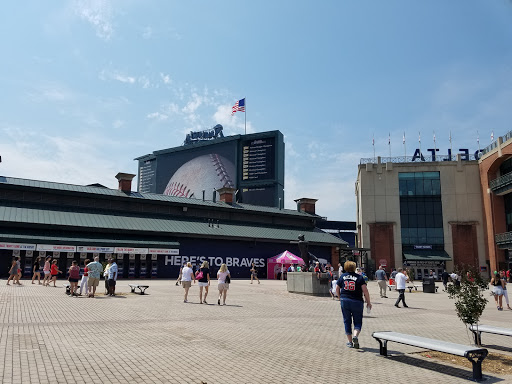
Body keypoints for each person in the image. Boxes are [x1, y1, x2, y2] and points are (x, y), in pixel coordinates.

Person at [336, 261, 372, 349]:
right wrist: (368, 302)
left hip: (345, 300)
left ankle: (349, 341)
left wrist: (339, 297)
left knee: (347, 320)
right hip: (357, 301)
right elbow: (365, 290)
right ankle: (355, 335)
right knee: (358, 320)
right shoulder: (359, 277)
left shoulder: (342, 276)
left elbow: (337, 288)